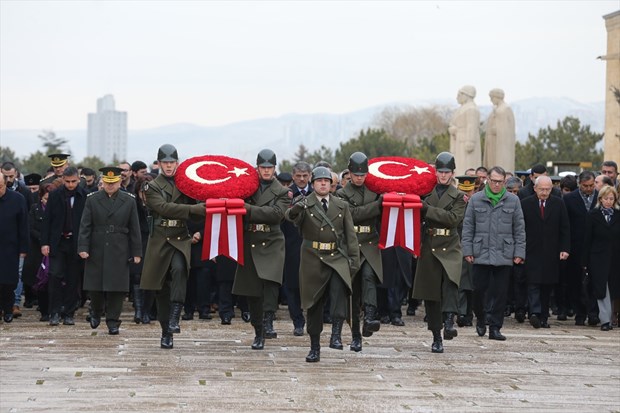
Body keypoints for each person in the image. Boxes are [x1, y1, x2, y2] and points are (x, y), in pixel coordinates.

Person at [284, 166, 360, 362]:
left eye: (327, 181)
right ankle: (314, 346)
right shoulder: (305, 203)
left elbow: (350, 236)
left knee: (339, 292)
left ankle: (336, 334)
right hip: (312, 257)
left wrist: (353, 261)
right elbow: (290, 218)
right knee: (314, 305)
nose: (324, 183)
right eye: (319, 181)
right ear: (313, 183)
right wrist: (297, 208)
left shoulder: (341, 205)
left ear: (332, 185)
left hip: (336, 256)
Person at [140, 144, 206, 349]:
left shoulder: (184, 184)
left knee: (179, 269)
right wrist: (194, 208)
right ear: (159, 164)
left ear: (177, 163)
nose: (169, 166)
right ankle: (166, 332)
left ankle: (176, 315)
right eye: (165, 163)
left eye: (172, 163)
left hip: (179, 237)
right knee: (161, 287)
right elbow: (163, 208)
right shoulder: (151, 187)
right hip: (159, 239)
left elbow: (200, 199)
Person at [232, 149, 289, 350]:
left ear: (275, 168)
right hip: (251, 241)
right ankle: (258, 329)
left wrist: (246, 209)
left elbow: (275, 214)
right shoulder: (247, 188)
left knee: (271, 285)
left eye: (269, 167)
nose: (266, 171)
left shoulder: (282, 192)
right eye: (263, 167)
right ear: (257, 168)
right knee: (253, 291)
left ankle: (267, 322)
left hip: (272, 242)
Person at [462, 166, 526, 341]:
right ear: (487, 180)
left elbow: (519, 229)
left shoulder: (513, 201)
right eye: (494, 181)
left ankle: (495, 327)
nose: (497, 185)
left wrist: (519, 252)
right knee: (478, 291)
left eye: (500, 182)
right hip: (480, 251)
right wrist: (467, 250)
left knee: (500, 293)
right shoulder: (476, 199)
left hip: (504, 253)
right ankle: (481, 318)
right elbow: (468, 227)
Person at [77, 167, 142, 335]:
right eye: (107, 183)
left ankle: (113, 321)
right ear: (102, 182)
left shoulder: (129, 200)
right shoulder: (92, 199)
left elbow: (135, 227)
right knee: (95, 287)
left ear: (120, 181)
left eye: (113, 183)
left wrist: (136, 252)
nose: (110, 186)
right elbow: (85, 226)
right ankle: (96, 312)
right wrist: (83, 247)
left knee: (117, 288)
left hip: (119, 247)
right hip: (97, 246)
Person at [412, 152, 466, 353]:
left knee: (451, 282)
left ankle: (450, 320)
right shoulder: (426, 193)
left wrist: (427, 209)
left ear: (453, 173)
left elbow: (453, 219)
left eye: (447, 172)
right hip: (429, 243)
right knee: (431, 294)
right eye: (440, 172)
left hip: (450, 244)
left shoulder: (459, 196)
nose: (443, 176)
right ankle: (436, 335)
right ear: (435, 172)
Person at [336, 152, 383, 351]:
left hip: (370, 243)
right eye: (355, 174)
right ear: (349, 173)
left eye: (362, 174)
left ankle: (371, 316)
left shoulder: (374, 191)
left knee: (369, 277)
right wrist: (377, 206)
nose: (359, 178)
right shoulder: (341, 194)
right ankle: (355, 335)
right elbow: (351, 214)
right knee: (352, 292)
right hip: (351, 244)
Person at [521, 176, 570, 329]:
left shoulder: (558, 203)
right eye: (541, 189)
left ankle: (543, 316)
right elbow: (520, 228)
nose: (544, 192)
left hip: (551, 251)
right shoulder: (525, 204)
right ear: (535, 188)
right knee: (533, 283)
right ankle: (534, 313)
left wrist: (565, 248)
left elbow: (565, 228)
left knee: (547, 285)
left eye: (547, 189)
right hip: (531, 250)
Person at [41, 167, 87, 326]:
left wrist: (85, 245)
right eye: (67, 182)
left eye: (73, 181)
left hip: (76, 243)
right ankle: (54, 312)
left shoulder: (85, 196)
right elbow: (47, 220)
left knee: (73, 279)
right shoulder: (55, 195)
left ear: (78, 180)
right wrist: (45, 243)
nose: (70, 185)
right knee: (55, 276)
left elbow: (88, 223)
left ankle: (69, 313)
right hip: (58, 242)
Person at [563, 170, 599, 325]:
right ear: (580, 185)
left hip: (595, 247)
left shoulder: (600, 197)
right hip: (576, 246)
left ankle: (593, 313)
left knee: (594, 281)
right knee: (576, 281)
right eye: (586, 186)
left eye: (591, 185)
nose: (589, 189)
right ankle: (579, 313)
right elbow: (565, 224)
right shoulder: (570, 199)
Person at [582, 185, 620, 331]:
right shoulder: (593, 215)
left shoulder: (618, 215)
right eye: (606, 198)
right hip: (597, 257)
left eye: (611, 198)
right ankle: (605, 320)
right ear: (600, 199)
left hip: (615, 258)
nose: (609, 201)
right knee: (601, 288)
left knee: (613, 286)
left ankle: (609, 318)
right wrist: (584, 261)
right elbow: (587, 239)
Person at [281, 161, 313, 336]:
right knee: (292, 285)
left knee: (312, 283)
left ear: (310, 176)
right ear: (293, 176)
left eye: (305, 176)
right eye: (298, 176)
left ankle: (315, 318)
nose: (301, 179)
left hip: (312, 245)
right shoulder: (286, 194)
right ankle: (298, 321)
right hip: (291, 245)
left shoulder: (316, 192)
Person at [0, 175, 29, 323]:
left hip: (10, 247)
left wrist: (24, 248)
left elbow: (23, 225)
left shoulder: (17, 199)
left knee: (9, 281)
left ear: (6, 184)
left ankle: (8, 308)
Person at [455, 175, 477, 327]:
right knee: (461, 283)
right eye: (463, 191)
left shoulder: (477, 204)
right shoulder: (455, 204)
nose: (466, 195)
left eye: (469, 191)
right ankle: (462, 313)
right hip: (457, 247)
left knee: (472, 284)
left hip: (475, 249)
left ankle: (469, 312)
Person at [449, 85, 481, 171]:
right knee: (459, 165)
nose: (457, 98)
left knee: (467, 164)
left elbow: (472, 126)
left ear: (466, 95)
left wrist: (470, 141)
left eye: (459, 95)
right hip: (459, 140)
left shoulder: (471, 108)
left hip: (466, 141)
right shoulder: (462, 108)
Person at [484, 88, 516, 172]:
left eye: (492, 98)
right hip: (493, 141)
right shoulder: (496, 109)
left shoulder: (506, 109)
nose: (491, 100)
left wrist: (497, 130)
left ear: (497, 96)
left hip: (501, 144)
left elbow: (508, 129)